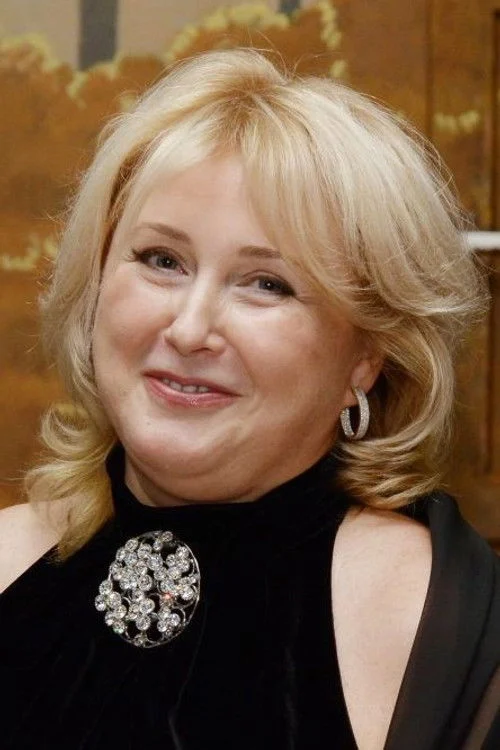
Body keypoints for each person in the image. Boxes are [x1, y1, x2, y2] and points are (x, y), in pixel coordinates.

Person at [0, 48, 498, 750]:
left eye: (268, 284)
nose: (189, 328)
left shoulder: (436, 622)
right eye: (162, 260)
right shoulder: (7, 556)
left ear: (366, 356)